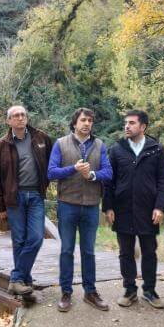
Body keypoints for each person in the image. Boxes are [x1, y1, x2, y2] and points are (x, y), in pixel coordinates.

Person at [103, 110, 164, 309]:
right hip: (122, 209)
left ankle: (150, 291)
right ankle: (129, 290)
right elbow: (109, 181)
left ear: (143, 126)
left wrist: (160, 206)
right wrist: (108, 206)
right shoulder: (117, 149)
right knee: (126, 252)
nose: (127, 126)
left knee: (149, 252)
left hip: (148, 210)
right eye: (126, 122)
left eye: (132, 123)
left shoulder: (156, 149)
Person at [48, 107, 113, 312]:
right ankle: (66, 293)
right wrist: (73, 169)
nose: (87, 124)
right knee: (67, 250)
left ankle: (90, 292)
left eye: (90, 121)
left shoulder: (100, 145)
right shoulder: (60, 143)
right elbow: (51, 172)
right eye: (83, 120)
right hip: (67, 204)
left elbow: (108, 173)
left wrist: (91, 175)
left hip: (91, 206)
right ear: (75, 123)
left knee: (88, 251)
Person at [0, 105, 53, 296]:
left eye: (23, 114)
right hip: (14, 198)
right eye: (16, 115)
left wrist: (46, 184)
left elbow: (52, 163)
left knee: (36, 238)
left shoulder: (40, 138)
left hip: (35, 195)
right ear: (8, 121)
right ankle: (24, 280)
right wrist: (0, 206)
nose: (20, 118)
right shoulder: (2, 144)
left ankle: (16, 278)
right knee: (19, 240)